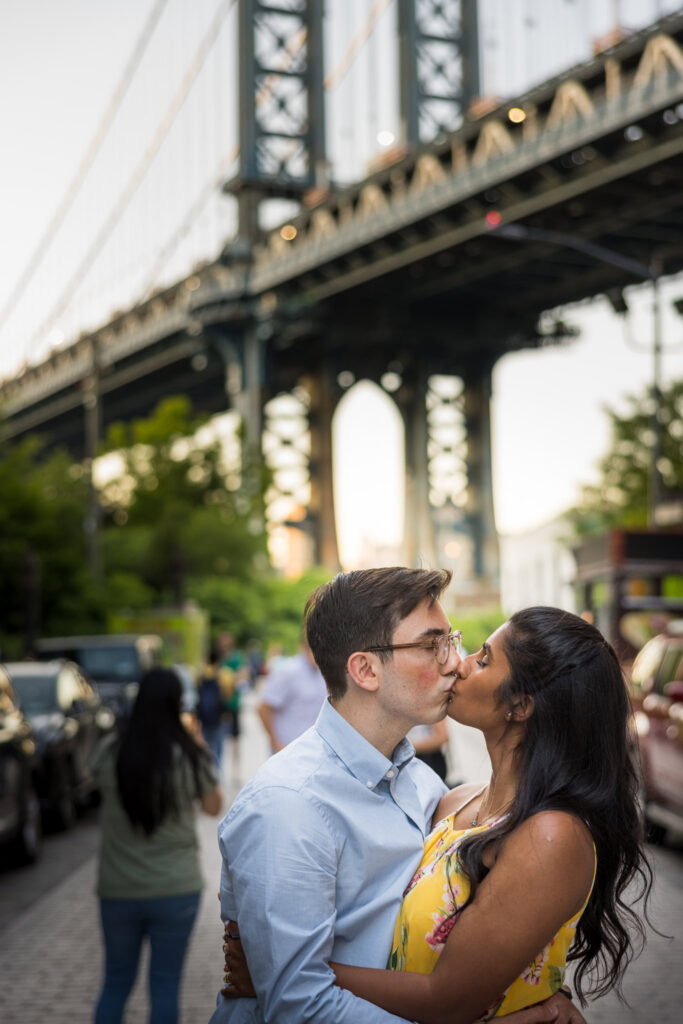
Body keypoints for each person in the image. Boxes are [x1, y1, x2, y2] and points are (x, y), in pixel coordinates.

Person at [212, 569, 582, 1024]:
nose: (456, 662)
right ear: (365, 669)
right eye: (433, 645)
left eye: (453, 640)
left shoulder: (420, 786)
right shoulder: (289, 804)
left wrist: (543, 988)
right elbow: (299, 1008)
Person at [93, 667, 222, 1024]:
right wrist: (198, 746)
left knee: (116, 982)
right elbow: (213, 807)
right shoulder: (187, 754)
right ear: (177, 704)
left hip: (118, 889)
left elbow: (92, 786)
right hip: (176, 888)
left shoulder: (110, 751)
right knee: (165, 984)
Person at [256, 638, 327, 752]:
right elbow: (263, 708)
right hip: (288, 750)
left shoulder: (325, 672)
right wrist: (276, 743)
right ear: (305, 647)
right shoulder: (288, 671)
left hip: (313, 751)